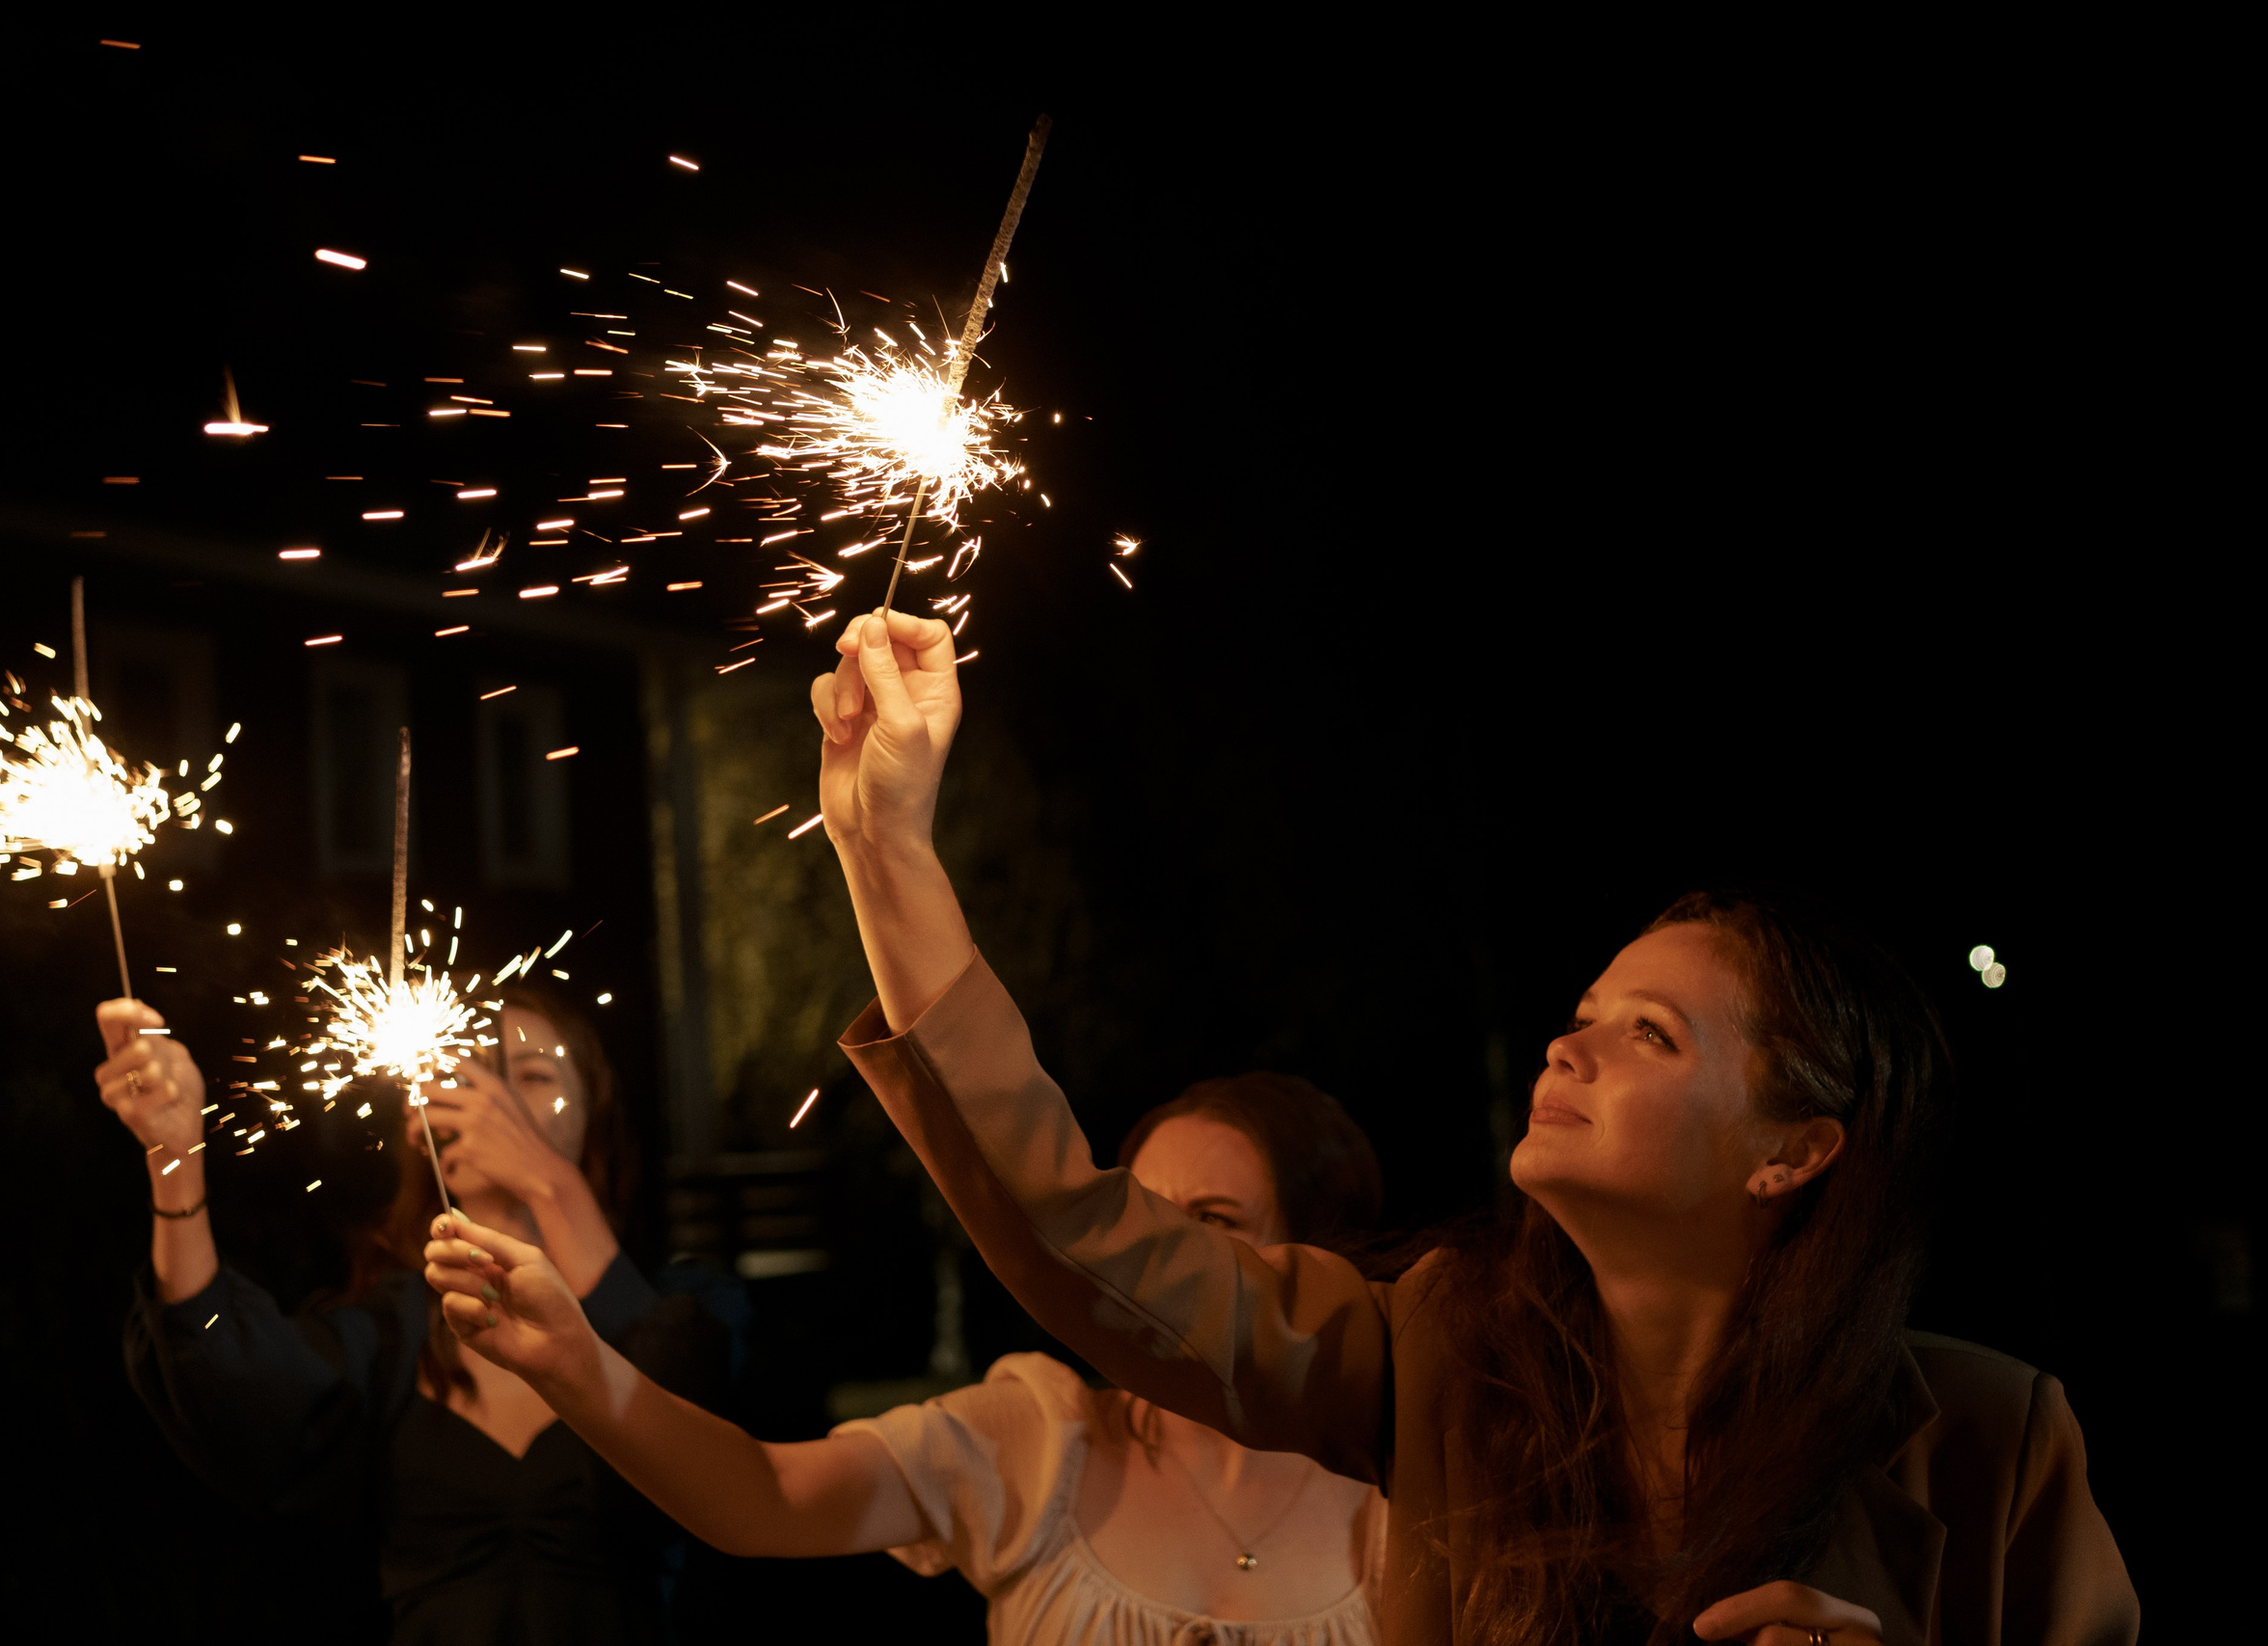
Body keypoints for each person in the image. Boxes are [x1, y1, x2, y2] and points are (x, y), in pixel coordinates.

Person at [773, 609, 2133, 1645]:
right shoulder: (1433, 1354)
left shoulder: (1990, 1438)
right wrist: (886, 848)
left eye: (1650, 1032)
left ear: (1794, 1149)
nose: (1568, 1039)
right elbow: (1083, 1230)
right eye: (1586, 1006)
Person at [421, 1069, 1390, 1645]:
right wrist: (579, 1370)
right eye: (1141, 1221)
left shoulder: (1414, 1487)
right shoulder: (1039, 1441)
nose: (1162, 1260)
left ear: (1317, 1255)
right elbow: (763, 1492)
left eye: (1213, 1222)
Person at [102, 980, 720, 1645]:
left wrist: (547, 1180)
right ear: (425, 1126)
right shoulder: (389, 1335)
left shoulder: (687, 1306)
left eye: (533, 1077)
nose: (497, 1104)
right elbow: (229, 1378)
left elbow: (706, 1460)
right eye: (472, 1080)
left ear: (592, 1108)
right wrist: (173, 1158)